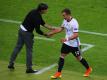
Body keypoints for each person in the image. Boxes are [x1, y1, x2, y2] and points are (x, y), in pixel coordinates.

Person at [8, 3, 54, 73]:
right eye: (46, 10)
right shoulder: (37, 17)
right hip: (27, 34)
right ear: (42, 10)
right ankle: (29, 68)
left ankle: (11, 64)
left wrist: (51, 28)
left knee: (17, 47)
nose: (47, 11)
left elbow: (42, 22)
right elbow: (38, 30)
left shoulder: (34, 11)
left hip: (21, 30)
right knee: (29, 50)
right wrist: (46, 34)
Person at [48, 8, 92, 78]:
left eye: (64, 15)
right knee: (62, 56)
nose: (63, 17)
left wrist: (66, 39)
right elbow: (61, 28)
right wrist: (52, 33)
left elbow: (76, 35)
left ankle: (89, 69)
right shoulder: (65, 21)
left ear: (68, 15)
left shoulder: (74, 23)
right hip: (67, 43)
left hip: (75, 45)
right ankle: (59, 73)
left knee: (79, 58)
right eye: (62, 15)